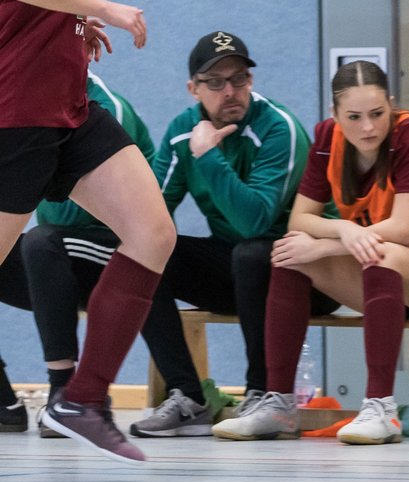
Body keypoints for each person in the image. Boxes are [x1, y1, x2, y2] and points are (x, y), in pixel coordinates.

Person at [0, 0, 175, 463]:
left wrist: (72, 19)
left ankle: (83, 396)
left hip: (66, 106)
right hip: (21, 111)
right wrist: (101, 7)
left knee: (152, 231)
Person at [214, 60, 409, 445]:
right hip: (393, 276)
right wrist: (342, 229)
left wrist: (333, 243)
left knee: (378, 254)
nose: (367, 127)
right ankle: (279, 405)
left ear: (392, 104)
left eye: (377, 114)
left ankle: (380, 408)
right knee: (291, 253)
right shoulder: (327, 138)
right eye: (354, 117)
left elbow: (402, 229)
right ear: (334, 115)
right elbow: (301, 220)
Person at [129, 31, 333, 438]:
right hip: (241, 270)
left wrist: (207, 157)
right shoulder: (181, 131)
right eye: (216, 82)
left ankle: (263, 393)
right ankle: (187, 396)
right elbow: (150, 213)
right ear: (193, 89)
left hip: (312, 274)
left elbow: (254, 222)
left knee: (254, 251)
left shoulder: (278, 128)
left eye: (239, 79)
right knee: (144, 255)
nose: (230, 91)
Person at [0, 71, 153, 438]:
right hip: (55, 252)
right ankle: (5, 404)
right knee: (40, 242)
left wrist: (100, 10)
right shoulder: (22, 102)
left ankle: (68, 389)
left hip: (106, 249)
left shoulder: (103, 107)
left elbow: (77, 214)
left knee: (41, 240)